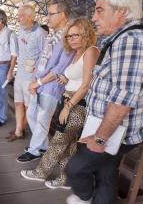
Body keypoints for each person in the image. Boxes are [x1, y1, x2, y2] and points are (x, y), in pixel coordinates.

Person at [65, 0, 143, 204]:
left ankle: (86, 197)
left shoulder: (132, 42)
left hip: (119, 130)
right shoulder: (122, 39)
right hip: (111, 128)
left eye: (99, 11)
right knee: (107, 170)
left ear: (122, 11)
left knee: (76, 168)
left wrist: (100, 137)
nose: (94, 17)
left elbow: (122, 101)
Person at [21, 17, 99, 189]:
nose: (71, 39)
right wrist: (65, 79)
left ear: (86, 34)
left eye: (75, 35)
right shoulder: (77, 52)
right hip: (68, 98)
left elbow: (86, 85)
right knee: (69, 145)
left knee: (58, 140)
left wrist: (68, 106)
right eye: (68, 36)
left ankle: (40, 172)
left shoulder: (91, 51)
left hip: (78, 104)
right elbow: (77, 77)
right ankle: (65, 179)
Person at [16, 1, 73, 161]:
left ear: (62, 15)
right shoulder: (52, 35)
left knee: (42, 118)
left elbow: (59, 68)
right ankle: (43, 146)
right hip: (40, 82)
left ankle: (34, 150)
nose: (47, 17)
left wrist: (38, 82)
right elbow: (42, 58)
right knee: (32, 114)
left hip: (52, 85)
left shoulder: (68, 36)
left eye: (50, 13)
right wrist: (34, 79)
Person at [5, 4, 47, 141]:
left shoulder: (41, 33)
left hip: (31, 76)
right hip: (20, 74)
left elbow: (44, 56)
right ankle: (19, 130)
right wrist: (12, 70)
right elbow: (17, 52)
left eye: (20, 16)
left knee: (29, 106)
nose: (18, 18)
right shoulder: (21, 31)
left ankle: (20, 130)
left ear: (28, 17)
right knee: (18, 102)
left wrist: (36, 75)